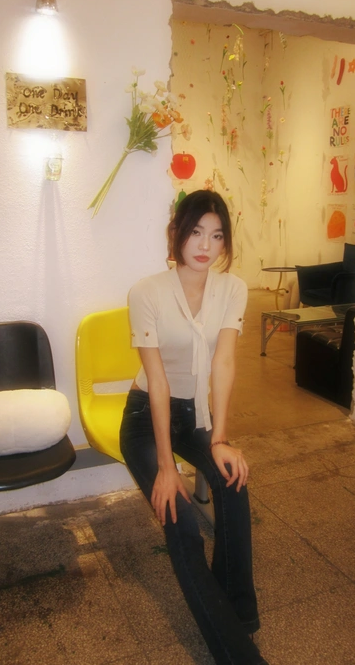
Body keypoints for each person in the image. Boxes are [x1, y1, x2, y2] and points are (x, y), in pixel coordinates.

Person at [120, 190, 268, 665]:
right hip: (146, 419)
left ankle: (238, 612)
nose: (206, 246)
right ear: (177, 234)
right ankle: (236, 654)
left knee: (233, 480)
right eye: (196, 232)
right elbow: (158, 383)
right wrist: (168, 469)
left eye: (217, 236)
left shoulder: (232, 289)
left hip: (196, 415)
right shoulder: (146, 292)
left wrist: (219, 440)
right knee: (182, 520)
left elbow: (223, 363)